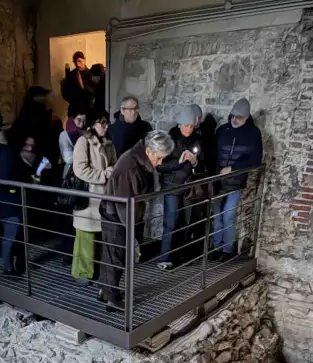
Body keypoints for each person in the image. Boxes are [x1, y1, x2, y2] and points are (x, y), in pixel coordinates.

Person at [100, 130, 175, 310]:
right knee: (116, 256)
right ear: (149, 151)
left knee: (111, 253)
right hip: (116, 215)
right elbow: (124, 203)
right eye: (159, 157)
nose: (160, 162)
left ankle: (104, 291)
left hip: (116, 212)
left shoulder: (137, 159)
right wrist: (131, 233)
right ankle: (111, 298)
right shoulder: (131, 167)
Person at [212, 98, 263, 259]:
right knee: (217, 216)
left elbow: (255, 160)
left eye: (239, 117)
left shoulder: (253, 133)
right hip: (217, 180)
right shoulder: (222, 130)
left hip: (236, 180)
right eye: (233, 116)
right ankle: (215, 248)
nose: (234, 120)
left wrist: (232, 169)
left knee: (228, 214)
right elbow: (213, 153)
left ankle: (227, 250)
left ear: (246, 118)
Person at [0, 131, 48, 275]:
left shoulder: (16, 155)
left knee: (20, 235)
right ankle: (7, 267)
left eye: (32, 145)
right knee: (10, 235)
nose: (30, 147)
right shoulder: (8, 155)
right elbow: (7, 179)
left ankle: (21, 264)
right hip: (10, 202)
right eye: (27, 144)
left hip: (19, 200)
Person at [156, 104, 203, 269]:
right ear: (179, 124)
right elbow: (160, 166)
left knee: (184, 222)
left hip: (188, 188)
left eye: (191, 126)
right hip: (172, 187)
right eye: (185, 125)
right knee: (170, 222)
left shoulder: (196, 139)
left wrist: (194, 161)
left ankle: (179, 256)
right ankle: (165, 259)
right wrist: (179, 162)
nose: (188, 129)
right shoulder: (170, 140)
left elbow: (202, 166)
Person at [71, 112, 116, 281]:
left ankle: (96, 271)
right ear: (92, 124)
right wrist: (104, 175)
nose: (105, 126)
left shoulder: (109, 142)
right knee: (86, 237)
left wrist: (111, 172)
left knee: (100, 236)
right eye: (101, 123)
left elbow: (114, 163)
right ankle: (82, 274)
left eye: (106, 123)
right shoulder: (83, 142)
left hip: (104, 197)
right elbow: (80, 169)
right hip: (89, 198)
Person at [60, 51, 93, 118]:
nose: (77, 64)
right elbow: (65, 95)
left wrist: (82, 85)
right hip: (74, 111)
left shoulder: (91, 74)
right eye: (75, 62)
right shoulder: (71, 75)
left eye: (79, 61)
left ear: (84, 60)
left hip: (88, 112)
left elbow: (93, 93)